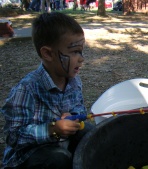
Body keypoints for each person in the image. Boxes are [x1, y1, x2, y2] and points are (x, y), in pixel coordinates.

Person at [1, 12, 95, 169]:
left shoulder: (74, 82)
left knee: (90, 132)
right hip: (28, 156)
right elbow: (14, 137)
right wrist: (52, 129)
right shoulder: (26, 89)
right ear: (48, 53)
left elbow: (79, 108)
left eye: (81, 51)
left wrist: (74, 116)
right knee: (58, 159)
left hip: (60, 144)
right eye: (74, 52)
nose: (81, 58)